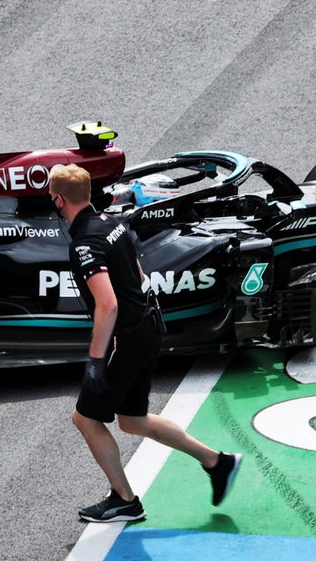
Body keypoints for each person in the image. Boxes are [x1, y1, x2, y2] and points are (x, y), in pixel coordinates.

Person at [49, 163, 242, 523]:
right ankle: (217, 462)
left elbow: (108, 304)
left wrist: (95, 360)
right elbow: (137, 272)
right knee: (133, 421)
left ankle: (125, 500)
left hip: (126, 337)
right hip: (149, 326)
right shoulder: (112, 222)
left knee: (86, 418)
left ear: (59, 199)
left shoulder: (84, 244)